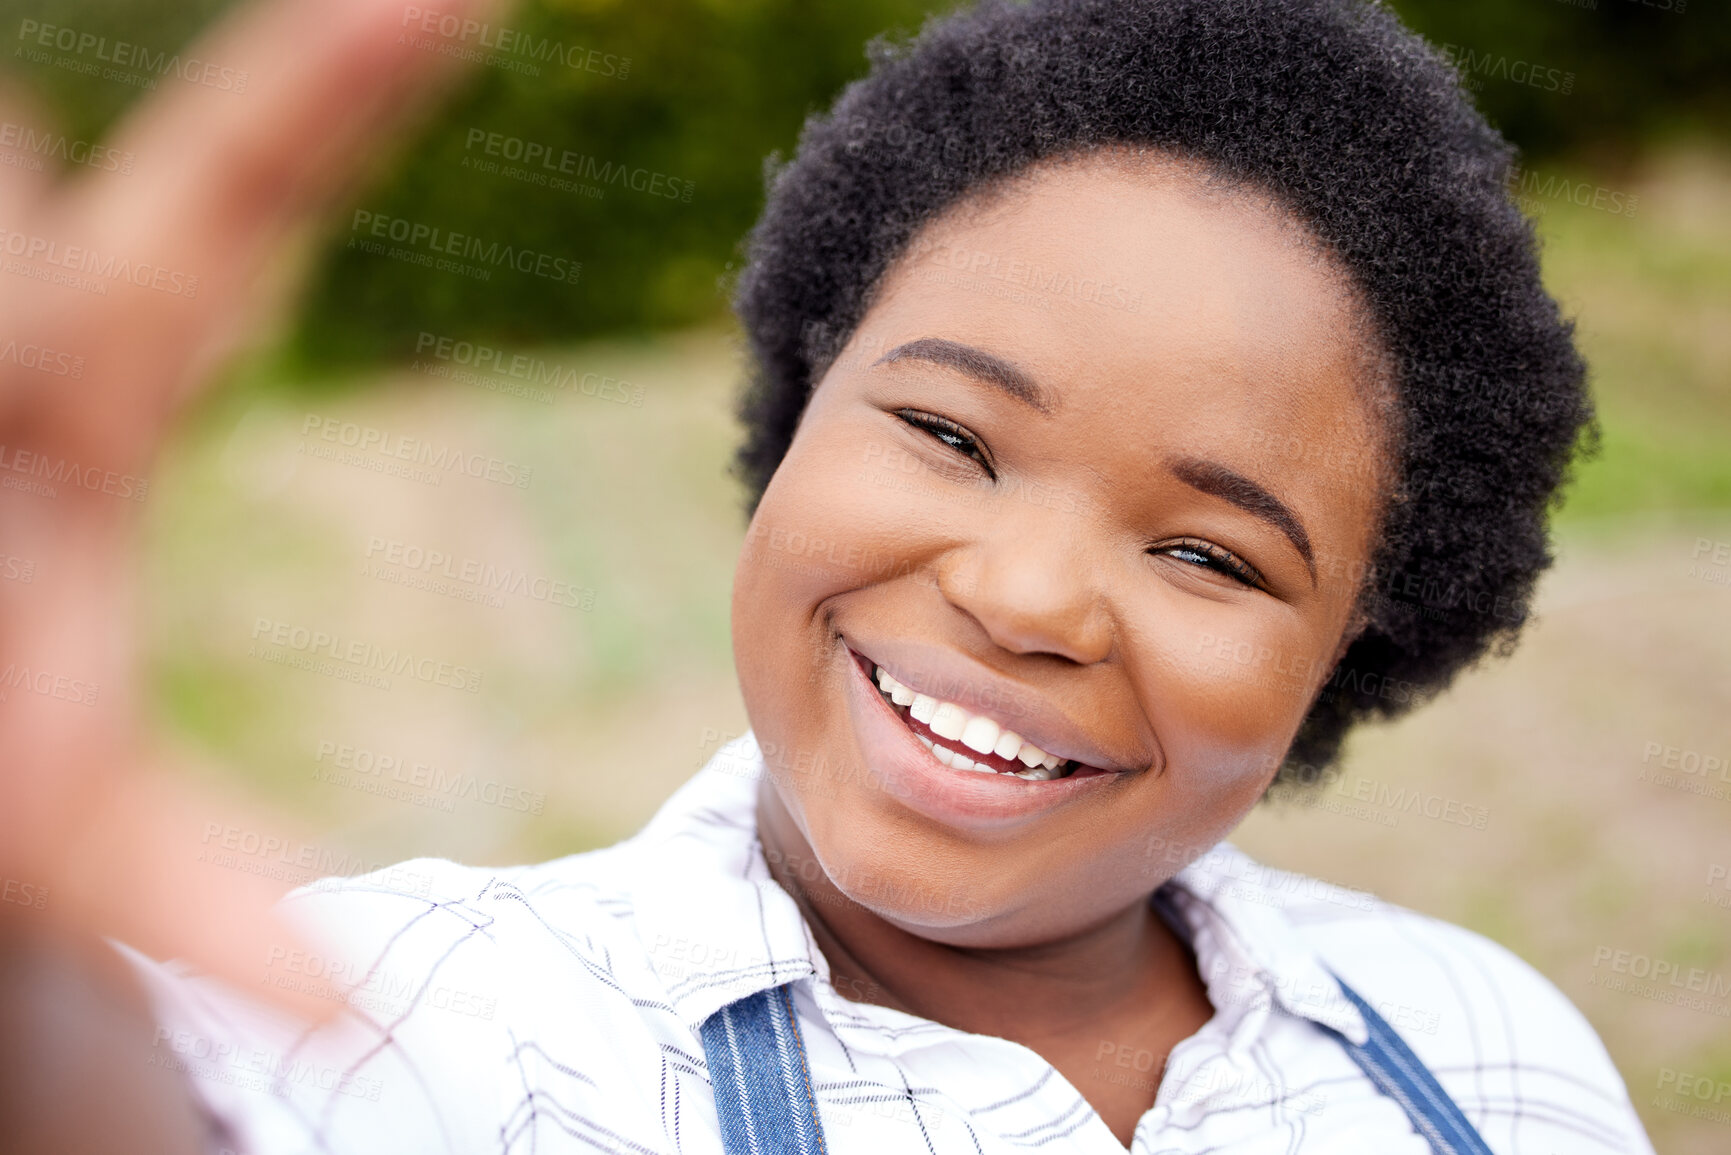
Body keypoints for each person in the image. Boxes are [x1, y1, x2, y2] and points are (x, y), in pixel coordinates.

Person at [0, 0, 1657, 1151]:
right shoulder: (440, 1030)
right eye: (950, 432)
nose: (1027, 600)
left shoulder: (1473, 1043)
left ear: (1351, 646)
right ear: (805, 401)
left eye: (1209, 552)